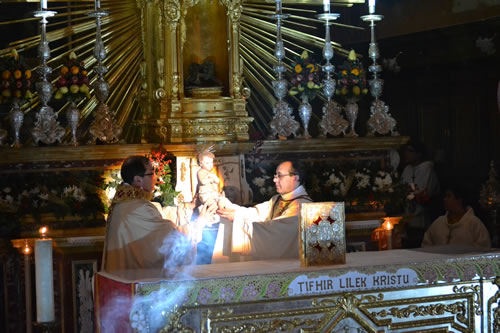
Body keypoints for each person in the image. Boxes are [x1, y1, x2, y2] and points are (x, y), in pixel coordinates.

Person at [101, 155, 216, 275]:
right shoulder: (137, 208)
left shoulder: (126, 204)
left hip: (125, 276)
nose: (156, 177)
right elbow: (167, 241)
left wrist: (187, 207)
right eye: (152, 173)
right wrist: (198, 223)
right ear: (138, 180)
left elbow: (157, 220)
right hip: (135, 282)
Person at [217, 160, 312, 260]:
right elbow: (257, 214)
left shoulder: (303, 206)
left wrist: (238, 220)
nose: (275, 180)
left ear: (295, 178)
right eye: (275, 175)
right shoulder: (277, 199)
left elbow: (276, 233)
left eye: (279, 176)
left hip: (290, 266)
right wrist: (227, 206)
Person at [400, 139, 440, 248]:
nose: (406, 154)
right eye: (406, 150)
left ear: (419, 154)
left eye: (410, 151)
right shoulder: (407, 169)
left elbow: (425, 192)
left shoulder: (427, 168)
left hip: (422, 217)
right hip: (408, 217)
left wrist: (414, 194)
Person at [422, 186, 491, 248]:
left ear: (459, 200)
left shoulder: (474, 223)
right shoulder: (438, 222)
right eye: (445, 196)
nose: (444, 199)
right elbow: (427, 243)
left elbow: (484, 248)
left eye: (448, 196)